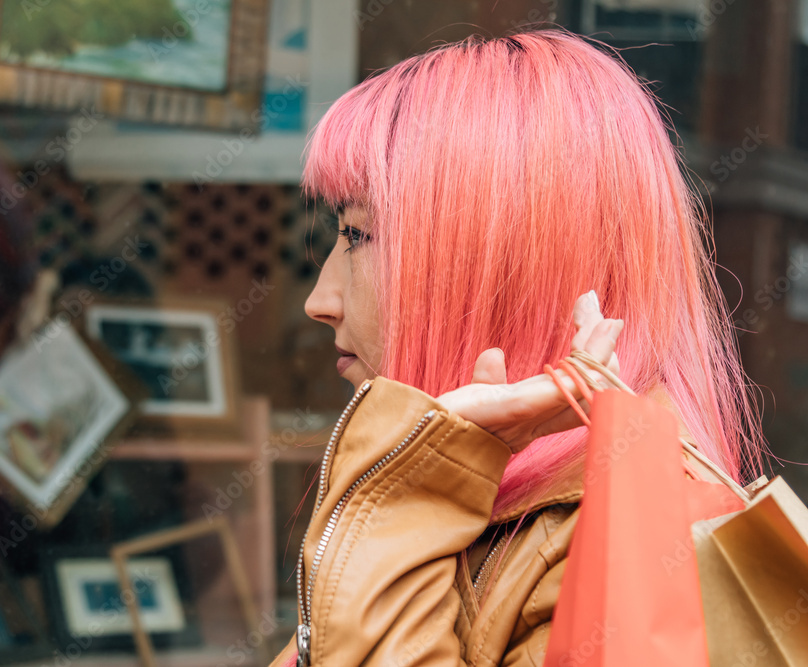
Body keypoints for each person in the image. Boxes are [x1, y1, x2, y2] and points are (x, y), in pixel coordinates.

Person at [273, 28, 766, 666]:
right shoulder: (501, 502)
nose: (320, 298)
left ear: (500, 260)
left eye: (357, 234)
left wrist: (401, 500)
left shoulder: (637, 544)